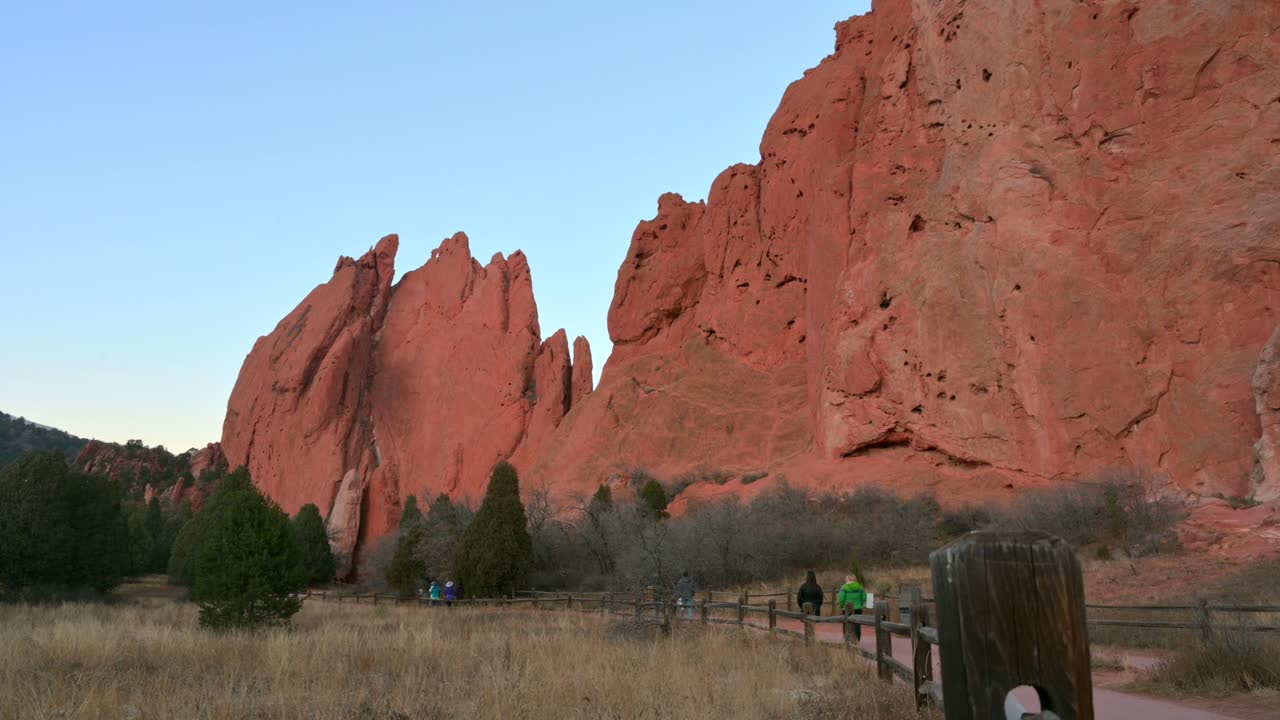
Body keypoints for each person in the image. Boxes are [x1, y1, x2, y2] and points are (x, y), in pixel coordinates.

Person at [837, 573, 868, 641]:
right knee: (857, 625)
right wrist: (860, 604)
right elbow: (864, 598)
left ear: (849, 579)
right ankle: (857, 640)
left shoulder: (844, 587)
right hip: (858, 608)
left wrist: (842, 606)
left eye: (846, 578)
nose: (845, 580)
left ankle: (847, 640)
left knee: (846, 625)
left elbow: (841, 599)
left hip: (847, 609)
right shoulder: (860, 587)